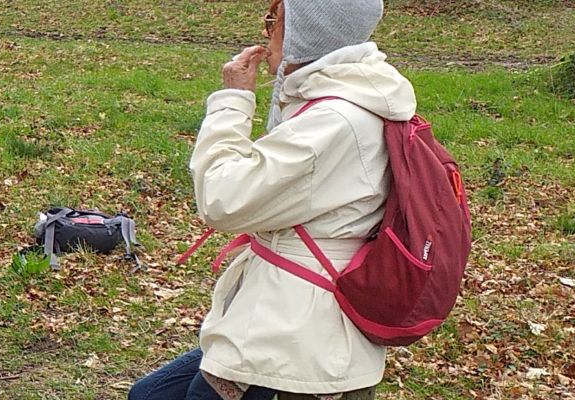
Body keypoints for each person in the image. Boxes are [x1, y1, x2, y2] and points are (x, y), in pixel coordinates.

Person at [129, 1, 400, 399]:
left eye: (275, 19)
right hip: (279, 304)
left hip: (298, 325)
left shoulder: (336, 121)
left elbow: (223, 199)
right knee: (150, 395)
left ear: (306, 30)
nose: (267, 31)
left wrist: (233, 101)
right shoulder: (347, 95)